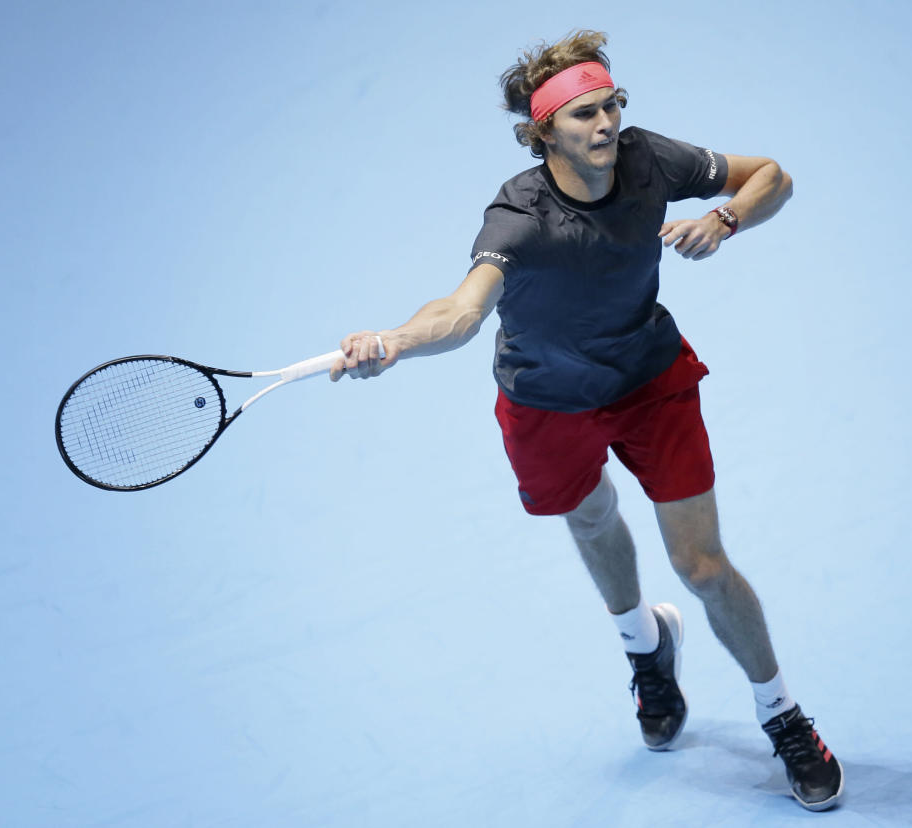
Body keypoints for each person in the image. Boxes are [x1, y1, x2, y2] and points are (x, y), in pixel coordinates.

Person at [330, 30, 843, 812]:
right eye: (582, 116)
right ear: (543, 134)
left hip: (648, 377)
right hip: (546, 397)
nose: (603, 125)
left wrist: (727, 219)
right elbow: (463, 311)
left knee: (701, 566)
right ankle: (646, 651)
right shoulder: (518, 217)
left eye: (610, 106)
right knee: (593, 518)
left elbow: (772, 175)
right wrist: (395, 341)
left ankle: (782, 713)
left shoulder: (650, 160)